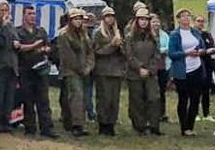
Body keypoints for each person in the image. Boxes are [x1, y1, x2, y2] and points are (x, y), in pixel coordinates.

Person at [13, 5, 57, 138]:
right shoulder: (18, 31)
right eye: (29, 14)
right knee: (28, 101)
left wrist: (45, 49)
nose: (32, 16)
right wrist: (34, 46)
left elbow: (48, 46)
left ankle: (47, 128)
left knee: (43, 101)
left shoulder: (41, 31)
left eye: (34, 14)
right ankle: (30, 128)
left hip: (40, 70)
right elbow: (19, 48)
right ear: (23, 16)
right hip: (25, 70)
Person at [166, 10, 208, 137]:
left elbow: (203, 47)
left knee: (195, 98)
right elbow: (172, 53)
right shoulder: (175, 34)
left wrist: (200, 52)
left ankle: (190, 125)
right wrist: (186, 53)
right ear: (178, 19)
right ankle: (184, 127)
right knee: (183, 99)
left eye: (188, 16)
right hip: (182, 71)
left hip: (197, 68)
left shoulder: (195, 32)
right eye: (183, 16)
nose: (186, 18)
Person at [124, 9, 163, 136]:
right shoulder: (129, 37)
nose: (144, 22)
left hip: (151, 73)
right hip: (134, 73)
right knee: (137, 100)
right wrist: (139, 68)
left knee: (154, 99)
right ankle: (139, 126)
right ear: (136, 21)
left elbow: (157, 55)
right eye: (141, 19)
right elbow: (129, 56)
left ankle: (154, 126)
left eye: (146, 19)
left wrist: (150, 69)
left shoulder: (153, 37)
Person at [55, 9, 93, 138]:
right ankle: (76, 125)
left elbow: (90, 52)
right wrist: (80, 69)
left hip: (83, 70)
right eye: (75, 19)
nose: (78, 21)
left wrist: (88, 67)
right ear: (70, 20)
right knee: (75, 96)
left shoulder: (83, 34)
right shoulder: (64, 34)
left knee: (81, 97)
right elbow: (67, 56)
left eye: (80, 19)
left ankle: (77, 122)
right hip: (70, 71)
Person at [90, 7, 127, 136]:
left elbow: (124, 52)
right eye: (107, 16)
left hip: (116, 70)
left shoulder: (117, 32)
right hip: (103, 70)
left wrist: (121, 46)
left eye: (112, 16)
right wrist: (112, 45)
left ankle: (111, 124)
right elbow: (97, 51)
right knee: (104, 99)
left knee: (114, 100)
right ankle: (103, 124)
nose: (110, 19)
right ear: (103, 18)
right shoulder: (98, 33)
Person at [0, 1, 18, 132]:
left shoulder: (11, 26)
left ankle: (7, 121)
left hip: (11, 65)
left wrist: (17, 44)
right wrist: (4, 27)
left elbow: (15, 40)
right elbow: (1, 43)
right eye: (2, 10)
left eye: (6, 10)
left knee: (9, 96)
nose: (5, 13)